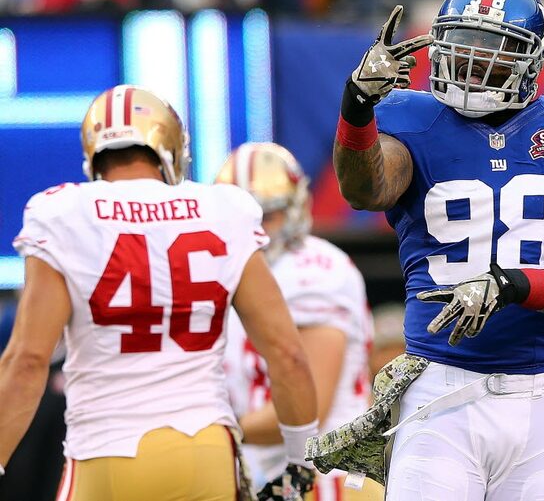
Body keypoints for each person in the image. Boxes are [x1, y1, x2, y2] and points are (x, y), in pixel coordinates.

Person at [331, 0, 544, 500]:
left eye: (494, 50)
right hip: (439, 385)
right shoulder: (410, 116)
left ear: (531, 59)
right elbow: (366, 190)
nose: (473, 62)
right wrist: (357, 108)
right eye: (462, 44)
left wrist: (508, 285)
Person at [0, 85, 318, 500]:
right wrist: (301, 461)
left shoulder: (63, 212)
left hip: (108, 454)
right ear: (168, 147)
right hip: (205, 450)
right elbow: (287, 352)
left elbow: (28, 360)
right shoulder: (221, 208)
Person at [217, 142, 383, 500]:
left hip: (325, 478)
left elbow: (310, 406)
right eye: (244, 220)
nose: (256, 232)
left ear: (293, 209)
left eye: (267, 216)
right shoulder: (225, 272)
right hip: (265, 474)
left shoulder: (313, 270)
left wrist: (216, 435)